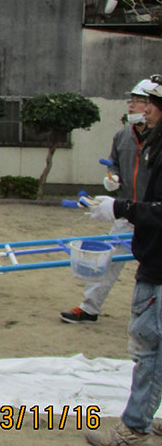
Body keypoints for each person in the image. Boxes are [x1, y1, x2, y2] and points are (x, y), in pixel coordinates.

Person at [84, 76, 162, 446]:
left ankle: (135, 427)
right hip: (138, 223)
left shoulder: (158, 146)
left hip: (154, 244)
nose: (139, 108)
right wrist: (112, 184)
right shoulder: (136, 139)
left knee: (148, 345)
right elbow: (118, 167)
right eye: (136, 101)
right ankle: (147, 415)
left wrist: (120, 206)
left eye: (147, 102)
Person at [61, 78, 159, 324]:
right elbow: (113, 163)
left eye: (141, 102)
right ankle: (89, 308)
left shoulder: (157, 140)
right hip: (126, 211)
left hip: (152, 214)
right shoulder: (122, 137)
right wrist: (112, 177)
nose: (134, 107)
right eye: (133, 101)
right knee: (107, 260)